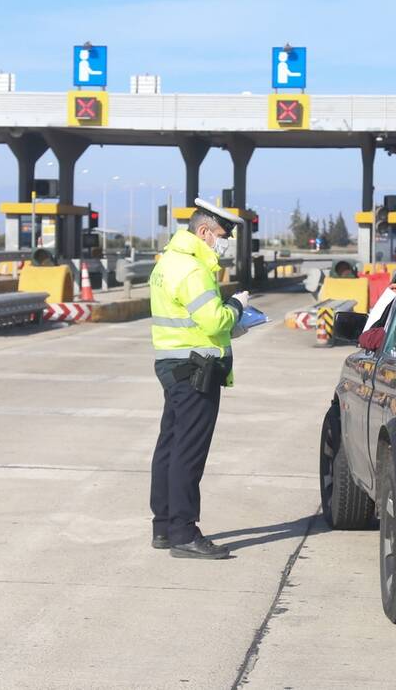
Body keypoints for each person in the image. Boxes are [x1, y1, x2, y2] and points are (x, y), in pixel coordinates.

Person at [148, 198, 250, 559]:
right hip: (196, 369)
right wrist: (237, 307)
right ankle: (184, 533)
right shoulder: (193, 269)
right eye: (223, 235)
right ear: (204, 231)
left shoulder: (167, 262)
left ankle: (163, 526)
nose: (225, 243)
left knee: (170, 446)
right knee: (189, 452)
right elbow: (213, 320)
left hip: (173, 364)